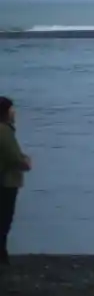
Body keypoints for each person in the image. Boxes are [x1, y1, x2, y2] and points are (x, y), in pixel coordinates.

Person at [0, 96, 32, 265]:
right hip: (5, 182)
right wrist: (26, 162)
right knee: (4, 219)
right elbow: (14, 158)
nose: (14, 112)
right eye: (12, 108)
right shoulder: (4, 131)